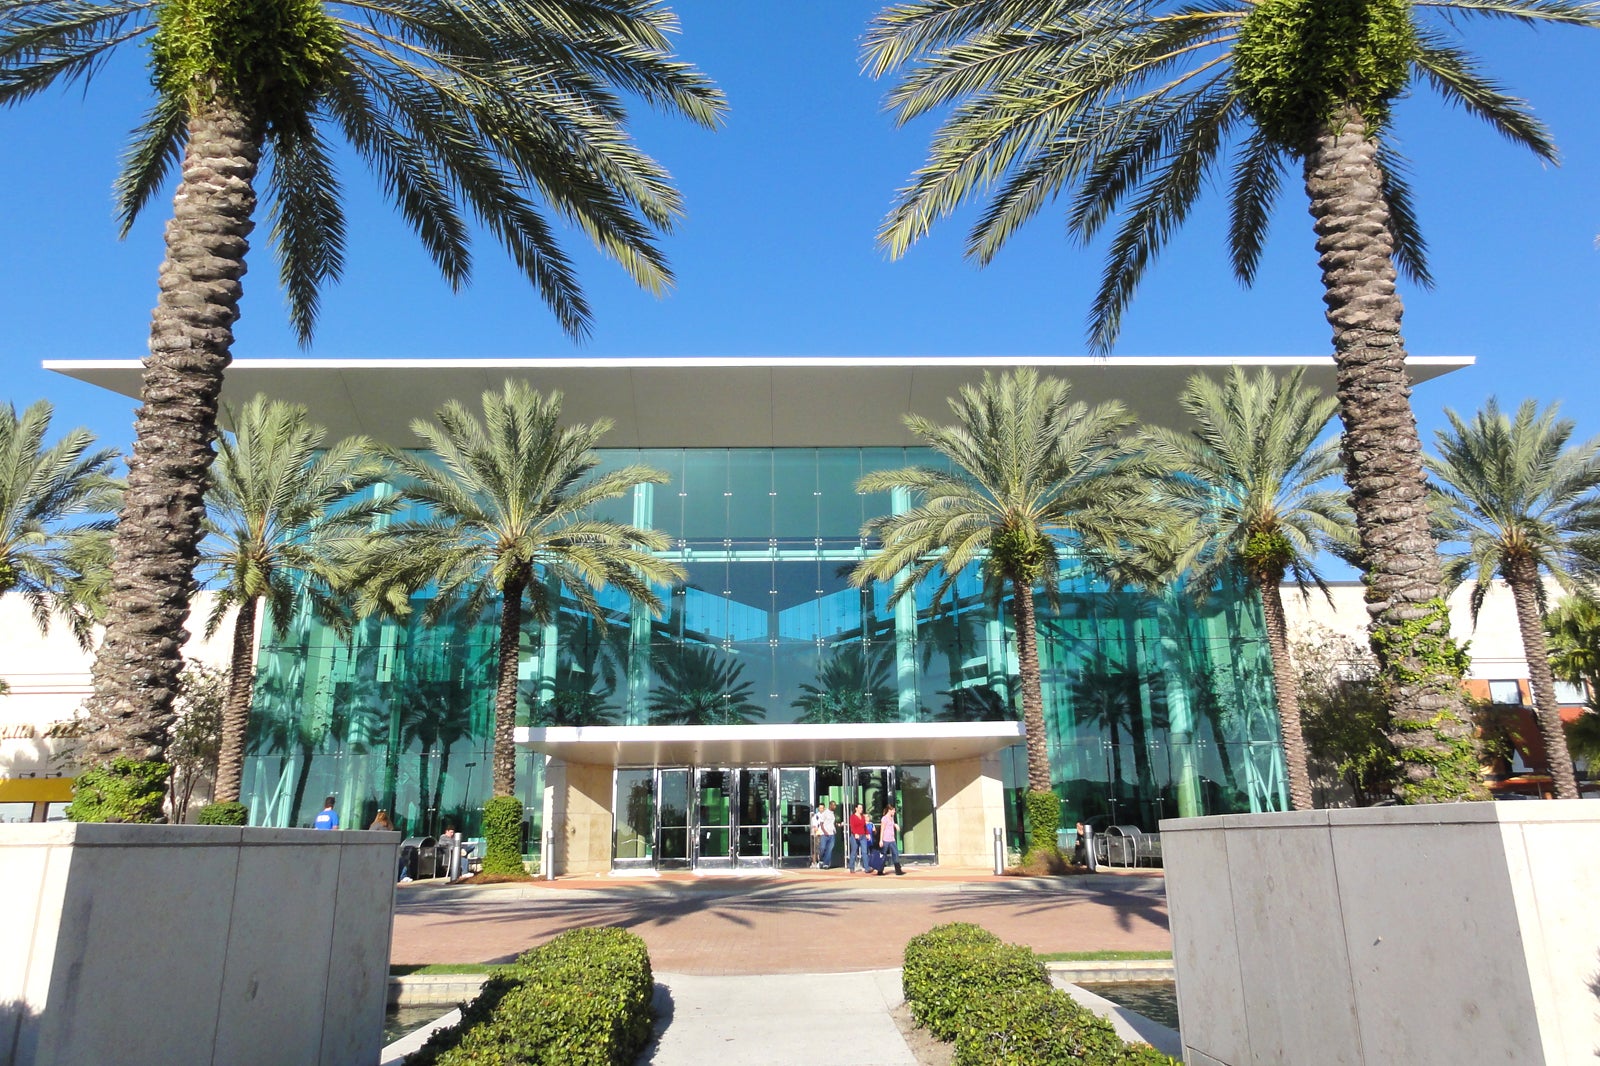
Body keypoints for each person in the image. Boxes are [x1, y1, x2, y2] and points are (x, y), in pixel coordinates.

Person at [876, 804, 903, 876]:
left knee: (895, 853)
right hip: (885, 839)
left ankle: (898, 870)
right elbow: (882, 829)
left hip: (892, 839)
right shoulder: (884, 818)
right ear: (889, 810)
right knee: (883, 855)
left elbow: (892, 824)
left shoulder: (892, 818)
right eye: (893, 810)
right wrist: (881, 840)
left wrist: (895, 825)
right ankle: (880, 870)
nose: (894, 812)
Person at [847, 803, 870, 873]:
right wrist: (855, 833)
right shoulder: (852, 817)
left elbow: (864, 826)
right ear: (856, 809)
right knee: (854, 852)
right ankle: (851, 868)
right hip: (855, 836)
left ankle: (867, 868)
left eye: (862, 808)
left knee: (864, 852)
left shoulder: (863, 817)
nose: (861, 809)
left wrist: (867, 834)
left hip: (863, 836)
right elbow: (852, 826)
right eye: (859, 808)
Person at [818, 800, 838, 869]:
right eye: (834, 805)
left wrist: (837, 826)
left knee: (829, 849)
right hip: (825, 834)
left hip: (832, 834)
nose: (835, 807)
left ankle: (826, 864)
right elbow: (821, 823)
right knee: (823, 848)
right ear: (830, 805)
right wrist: (825, 831)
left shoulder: (833, 814)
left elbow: (833, 823)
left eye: (835, 805)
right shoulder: (825, 813)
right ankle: (821, 859)